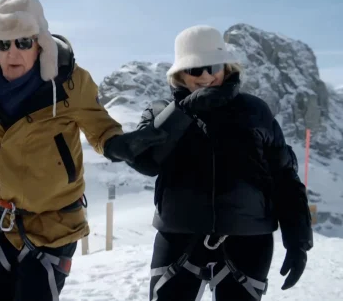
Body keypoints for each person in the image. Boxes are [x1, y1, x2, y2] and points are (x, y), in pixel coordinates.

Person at [0, 0, 167, 301]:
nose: (13, 53)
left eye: (23, 42)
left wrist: (122, 145)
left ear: (40, 43)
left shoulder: (70, 82)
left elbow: (102, 130)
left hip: (54, 227)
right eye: (2, 44)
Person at [105, 25, 313, 301]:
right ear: (179, 74)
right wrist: (184, 111)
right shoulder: (160, 112)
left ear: (226, 67)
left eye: (212, 66)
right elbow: (147, 162)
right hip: (178, 240)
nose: (204, 76)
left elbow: (285, 177)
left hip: (249, 241)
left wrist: (297, 241)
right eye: (194, 70)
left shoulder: (256, 111)